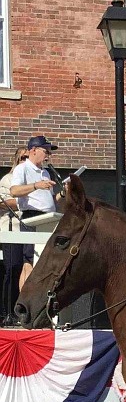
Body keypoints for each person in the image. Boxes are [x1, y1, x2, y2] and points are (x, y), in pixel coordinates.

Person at [9, 135, 58, 289]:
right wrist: (36, 185)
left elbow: (49, 200)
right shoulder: (22, 168)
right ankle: (26, 302)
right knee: (30, 260)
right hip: (32, 217)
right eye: (46, 151)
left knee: (42, 260)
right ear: (34, 150)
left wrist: (62, 195)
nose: (48, 156)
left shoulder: (45, 173)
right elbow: (14, 191)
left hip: (47, 218)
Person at [0, 147, 28, 324]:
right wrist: (26, 201)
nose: (25, 160)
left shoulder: (36, 179)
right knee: (13, 268)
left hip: (32, 228)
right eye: (22, 157)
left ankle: (24, 312)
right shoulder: (8, 179)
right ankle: (7, 312)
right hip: (12, 229)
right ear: (16, 160)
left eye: (28, 158)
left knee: (27, 270)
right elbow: (3, 202)